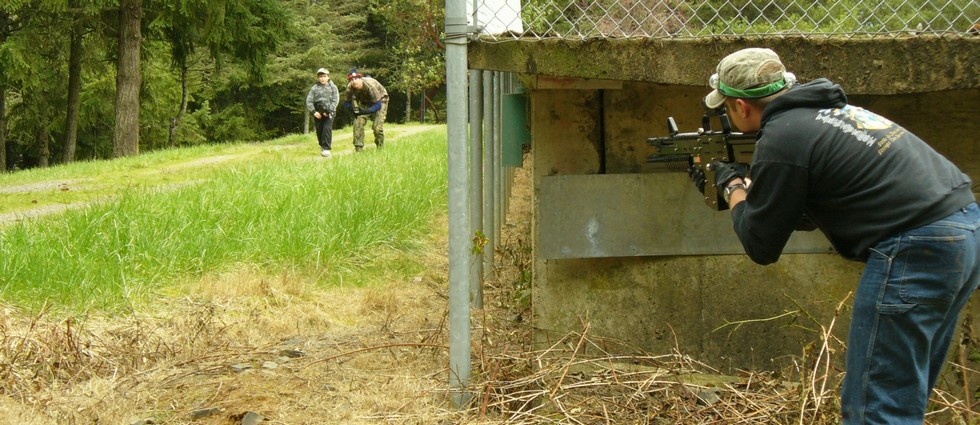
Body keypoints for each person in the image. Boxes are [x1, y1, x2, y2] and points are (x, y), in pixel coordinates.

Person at [694, 47, 979, 424]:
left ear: (742, 107)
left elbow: (761, 244)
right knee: (901, 398)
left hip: (917, 245)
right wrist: (756, 190)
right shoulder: (831, 115)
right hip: (963, 231)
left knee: (875, 410)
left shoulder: (783, 136)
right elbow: (808, 212)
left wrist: (733, 188)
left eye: (727, 107)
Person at [343, 69, 389, 152]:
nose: (354, 81)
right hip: (364, 102)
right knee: (358, 122)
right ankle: (358, 148)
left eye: (356, 79)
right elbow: (346, 102)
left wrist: (365, 111)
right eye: (351, 80)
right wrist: (353, 110)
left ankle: (380, 147)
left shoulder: (370, 85)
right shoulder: (350, 87)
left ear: (360, 78)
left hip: (381, 100)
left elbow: (378, 105)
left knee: (377, 127)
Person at [306, 68, 339, 157]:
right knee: (319, 131)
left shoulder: (333, 87)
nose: (322, 78)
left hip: (330, 112)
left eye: (324, 76)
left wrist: (329, 111)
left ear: (328, 77)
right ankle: (322, 146)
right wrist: (314, 112)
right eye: (320, 77)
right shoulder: (314, 88)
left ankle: (327, 149)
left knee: (327, 129)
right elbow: (309, 101)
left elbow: (335, 100)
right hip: (318, 113)